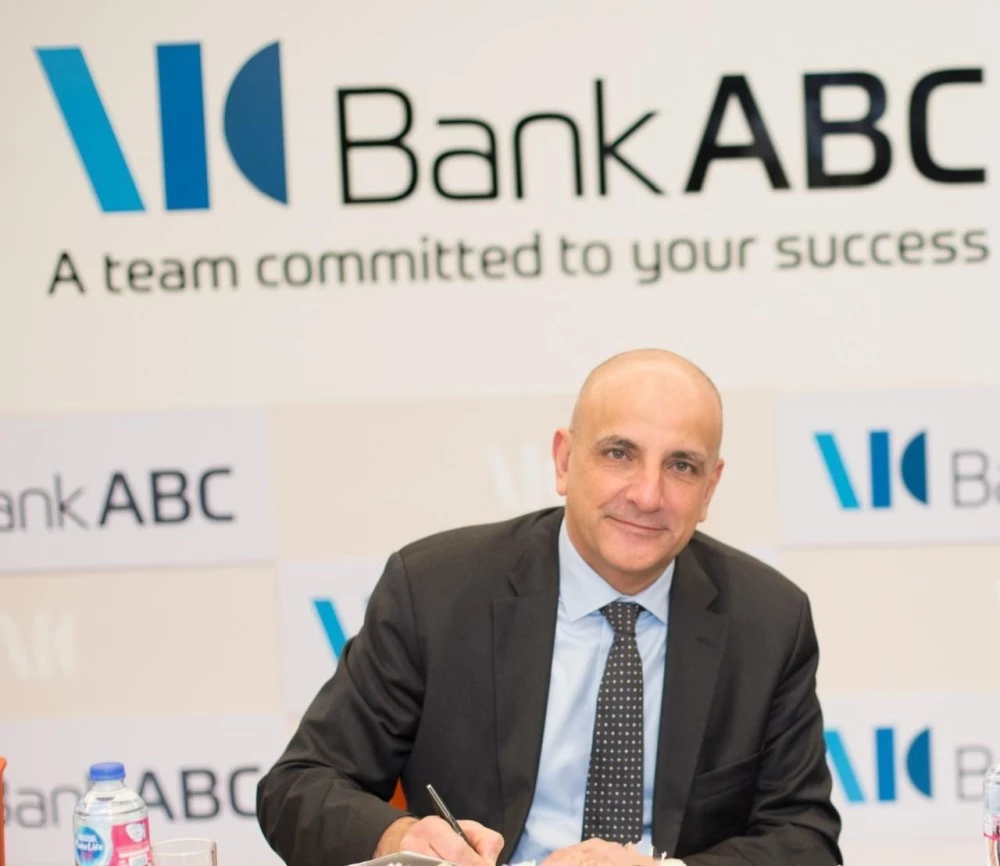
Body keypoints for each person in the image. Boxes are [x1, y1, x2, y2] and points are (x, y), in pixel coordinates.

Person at [257, 349, 842, 866]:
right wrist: (400, 838)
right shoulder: (436, 591)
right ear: (564, 461)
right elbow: (298, 788)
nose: (647, 494)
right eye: (619, 453)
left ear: (710, 488)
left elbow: (805, 839)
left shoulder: (768, 621)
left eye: (681, 466)